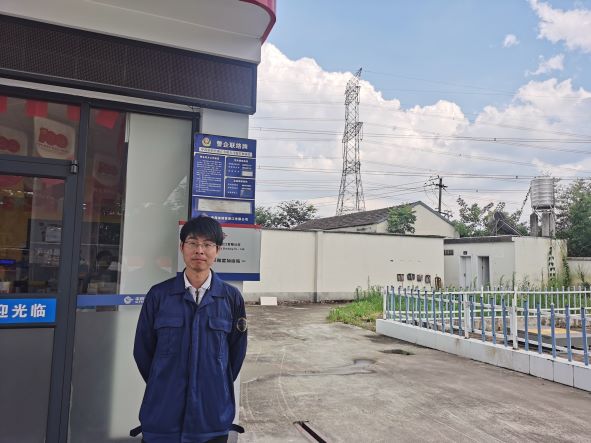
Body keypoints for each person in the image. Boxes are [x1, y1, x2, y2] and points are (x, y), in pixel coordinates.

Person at [133, 216, 247, 443]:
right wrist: (165, 381)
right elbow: (143, 351)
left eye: (207, 244)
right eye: (193, 243)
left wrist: (213, 381)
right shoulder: (159, 295)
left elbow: (236, 353)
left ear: (218, 250)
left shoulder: (231, 298)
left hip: (211, 417)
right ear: (182, 247)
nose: (200, 250)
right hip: (162, 416)